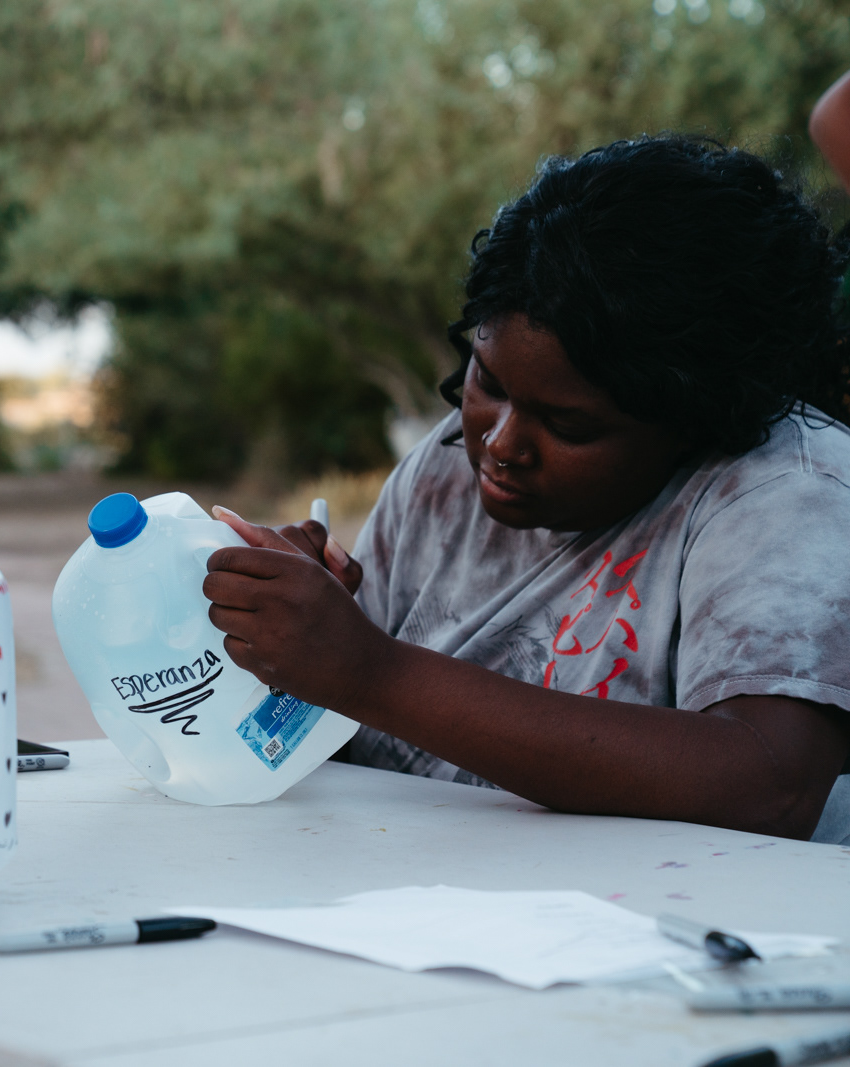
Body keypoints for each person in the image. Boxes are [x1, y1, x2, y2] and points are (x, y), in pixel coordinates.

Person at [203, 136, 850, 843]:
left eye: (568, 423)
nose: (501, 443)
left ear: (696, 419)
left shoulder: (788, 490)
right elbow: (345, 739)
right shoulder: (450, 462)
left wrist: (371, 672)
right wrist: (291, 646)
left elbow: (768, 783)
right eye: (488, 382)